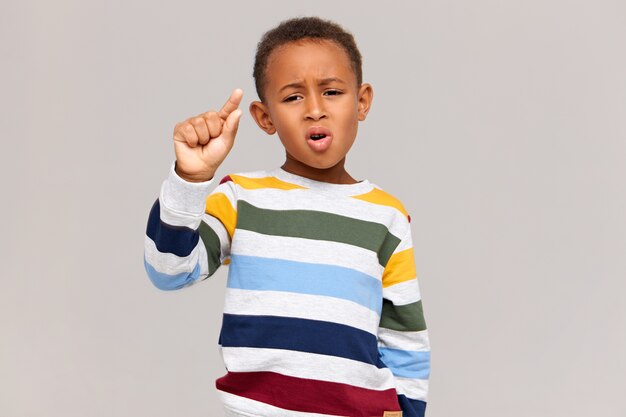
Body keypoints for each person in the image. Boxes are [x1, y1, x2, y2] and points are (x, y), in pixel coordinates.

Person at [143, 16, 430, 417]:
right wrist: (191, 178)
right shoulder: (241, 198)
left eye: (332, 91)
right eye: (293, 97)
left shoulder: (388, 216)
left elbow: (406, 340)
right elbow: (168, 270)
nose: (315, 110)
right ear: (265, 117)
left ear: (361, 101)